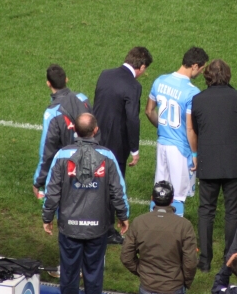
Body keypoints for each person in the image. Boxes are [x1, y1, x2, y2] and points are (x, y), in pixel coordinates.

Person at [42, 113, 129, 294]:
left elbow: (52, 190)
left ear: (75, 130)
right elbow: (117, 190)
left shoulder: (62, 155)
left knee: (68, 274)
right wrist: (123, 215)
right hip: (97, 227)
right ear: (95, 130)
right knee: (94, 274)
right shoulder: (108, 156)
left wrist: (47, 217)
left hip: (70, 227)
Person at [192, 59, 237, 272]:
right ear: (228, 76)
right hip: (235, 164)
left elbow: (196, 128)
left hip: (209, 162)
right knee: (233, 212)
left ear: (207, 76)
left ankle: (204, 261)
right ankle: (229, 259)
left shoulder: (198, 100)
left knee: (206, 211)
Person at [93, 46, 152, 243]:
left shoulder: (105, 74)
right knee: (114, 184)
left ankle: (93, 220)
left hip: (95, 137)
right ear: (141, 67)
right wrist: (135, 149)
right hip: (117, 144)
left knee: (95, 180)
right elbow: (132, 119)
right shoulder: (134, 86)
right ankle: (108, 230)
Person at [145, 47, 208, 215]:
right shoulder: (192, 92)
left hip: (162, 144)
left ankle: (154, 225)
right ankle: (176, 229)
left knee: (159, 192)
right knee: (178, 196)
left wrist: (163, 128)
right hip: (180, 149)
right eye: (202, 68)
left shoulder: (160, 81)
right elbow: (190, 128)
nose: (201, 73)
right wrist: (195, 154)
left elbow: (149, 111)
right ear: (195, 66)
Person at [120, 181, 198, 294]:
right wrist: (185, 282)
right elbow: (190, 262)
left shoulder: (139, 222)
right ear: (172, 200)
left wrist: (142, 272)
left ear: (152, 198)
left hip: (147, 286)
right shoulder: (184, 225)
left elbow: (126, 257)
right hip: (173, 287)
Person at [33, 64, 93, 199]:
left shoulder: (52, 113)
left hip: (68, 168)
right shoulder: (83, 98)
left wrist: (39, 181)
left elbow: (47, 150)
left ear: (48, 83)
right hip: (90, 161)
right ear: (66, 79)